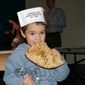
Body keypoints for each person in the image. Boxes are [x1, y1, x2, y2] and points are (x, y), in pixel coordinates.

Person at [3, 7, 70, 85]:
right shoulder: (17, 55)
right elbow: (8, 78)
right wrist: (21, 82)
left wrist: (60, 61)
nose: (38, 38)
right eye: (32, 33)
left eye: (42, 33)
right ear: (23, 33)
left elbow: (61, 77)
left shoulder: (49, 53)